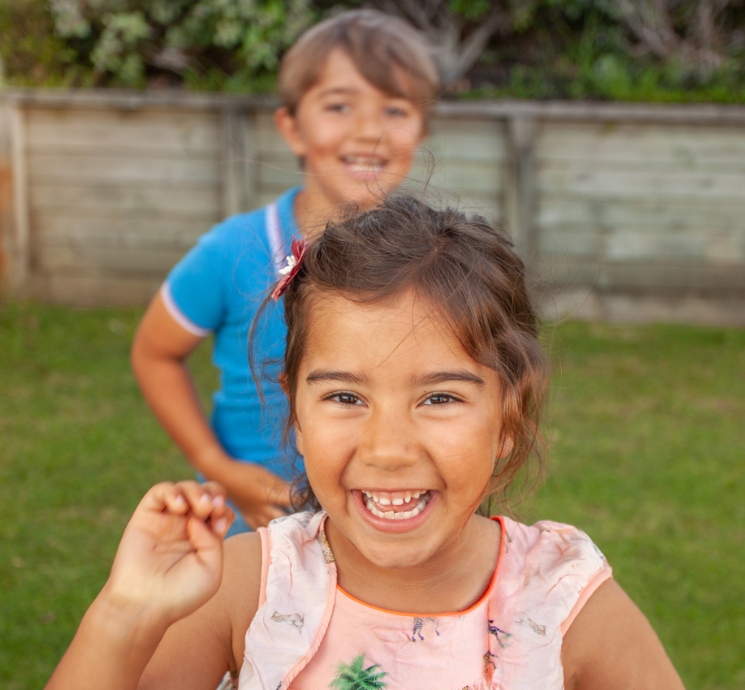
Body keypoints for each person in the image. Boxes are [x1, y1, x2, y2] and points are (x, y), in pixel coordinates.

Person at [49, 198, 684, 690]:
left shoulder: (566, 599)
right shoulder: (248, 586)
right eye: (346, 398)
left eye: (439, 398)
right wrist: (126, 614)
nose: (387, 449)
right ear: (295, 411)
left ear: (508, 419)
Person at [130, 10, 439, 534]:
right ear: (291, 126)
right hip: (254, 532)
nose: (370, 131)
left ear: (422, 129)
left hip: (386, 526)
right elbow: (154, 352)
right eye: (339, 105)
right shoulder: (233, 251)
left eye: (395, 108)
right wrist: (221, 470)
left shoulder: (437, 258)